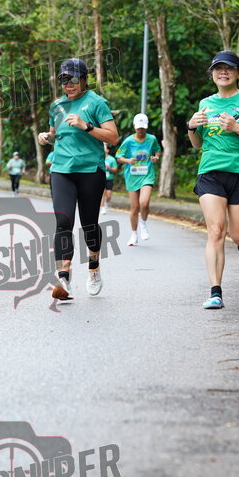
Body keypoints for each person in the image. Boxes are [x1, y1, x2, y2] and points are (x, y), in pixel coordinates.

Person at [187, 50, 239, 309]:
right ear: (212, 73)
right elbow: (197, 144)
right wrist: (191, 127)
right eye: (218, 68)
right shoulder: (205, 103)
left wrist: (237, 127)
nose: (223, 72)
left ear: (238, 73)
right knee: (216, 231)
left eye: (229, 68)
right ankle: (216, 292)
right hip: (211, 171)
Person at [38, 57, 118, 300]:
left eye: (73, 79)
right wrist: (47, 137)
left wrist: (87, 126)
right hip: (61, 169)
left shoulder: (96, 103)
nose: (68, 84)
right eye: (64, 79)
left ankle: (94, 265)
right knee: (63, 222)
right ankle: (63, 278)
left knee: (89, 225)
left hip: (90, 171)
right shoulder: (56, 106)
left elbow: (113, 137)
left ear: (84, 80)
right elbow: (56, 134)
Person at [116, 114, 161, 246]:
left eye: (143, 128)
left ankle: (143, 224)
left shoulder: (152, 139)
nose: (141, 130)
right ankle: (134, 234)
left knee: (144, 203)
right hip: (132, 176)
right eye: (139, 127)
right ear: (134, 126)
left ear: (146, 127)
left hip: (147, 175)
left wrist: (156, 158)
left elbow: (157, 151)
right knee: (135, 208)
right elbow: (118, 156)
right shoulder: (128, 141)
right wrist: (128, 160)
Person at [100, 143, 118, 214]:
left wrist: (109, 168)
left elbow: (115, 170)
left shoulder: (111, 159)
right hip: (101, 178)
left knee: (108, 195)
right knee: (102, 193)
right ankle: (102, 207)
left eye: (105, 148)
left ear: (107, 150)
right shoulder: (99, 158)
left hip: (109, 179)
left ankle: (106, 203)